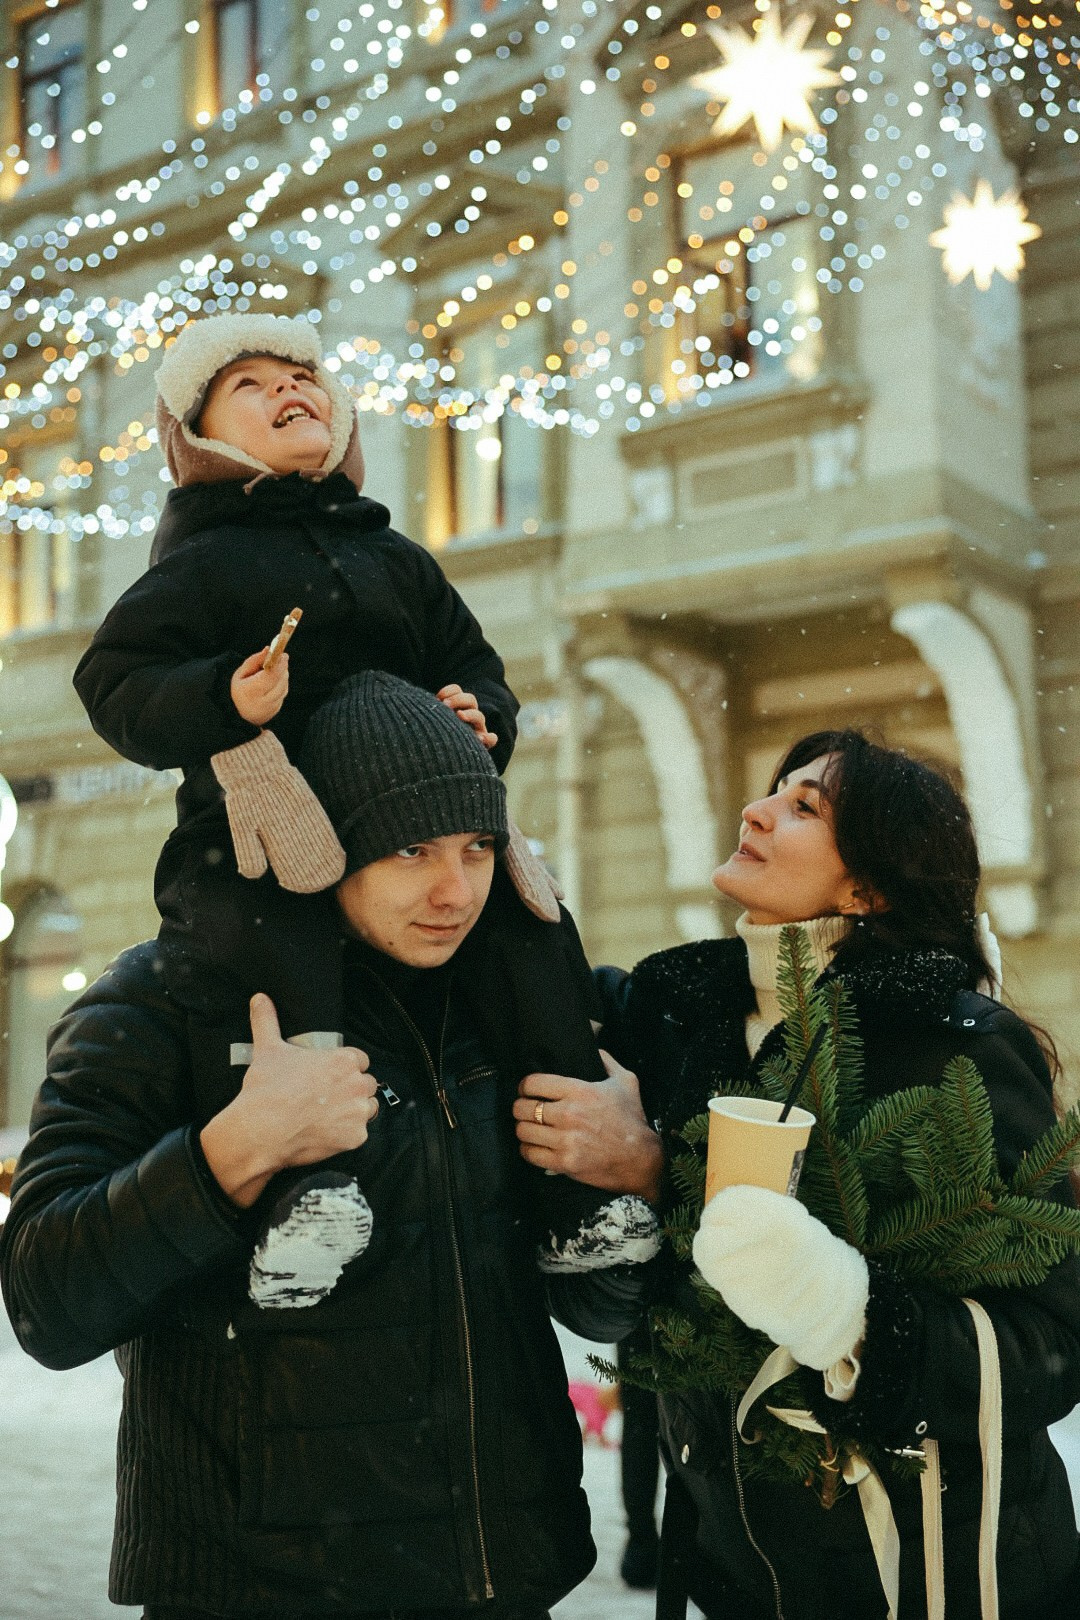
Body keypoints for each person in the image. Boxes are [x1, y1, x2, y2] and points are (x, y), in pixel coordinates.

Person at [0, 673, 656, 1620]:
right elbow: (41, 1299)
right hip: (260, 1588)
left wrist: (639, 1165)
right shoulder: (163, 1004)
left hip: (504, 1577)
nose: (455, 889)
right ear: (326, 846)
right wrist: (231, 1153)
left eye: (479, 848)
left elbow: (601, 1307)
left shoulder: (510, 1009)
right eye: (410, 848)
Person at [71, 312, 624, 1268]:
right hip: (263, 826)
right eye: (251, 384)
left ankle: (572, 1193)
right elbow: (114, 683)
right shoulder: (204, 560)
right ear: (199, 437)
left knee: (535, 936)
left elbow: (475, 662)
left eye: (303, 375)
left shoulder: (396, 556)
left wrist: (481, 712)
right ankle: (305, 1192)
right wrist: (219, 696)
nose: (290, 388)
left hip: (429, 814)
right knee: (263, 958)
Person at [516, 729, 1080, 1620]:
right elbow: (532, 992)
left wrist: (845, 1311)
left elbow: (1051, 1343)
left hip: (939, 1576)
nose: (757, 809)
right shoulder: (680, 1012)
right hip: (738, 1572)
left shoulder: (952, 1045)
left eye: (804, 806)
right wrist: (472, 805)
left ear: (867, 887)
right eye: (775, 788)